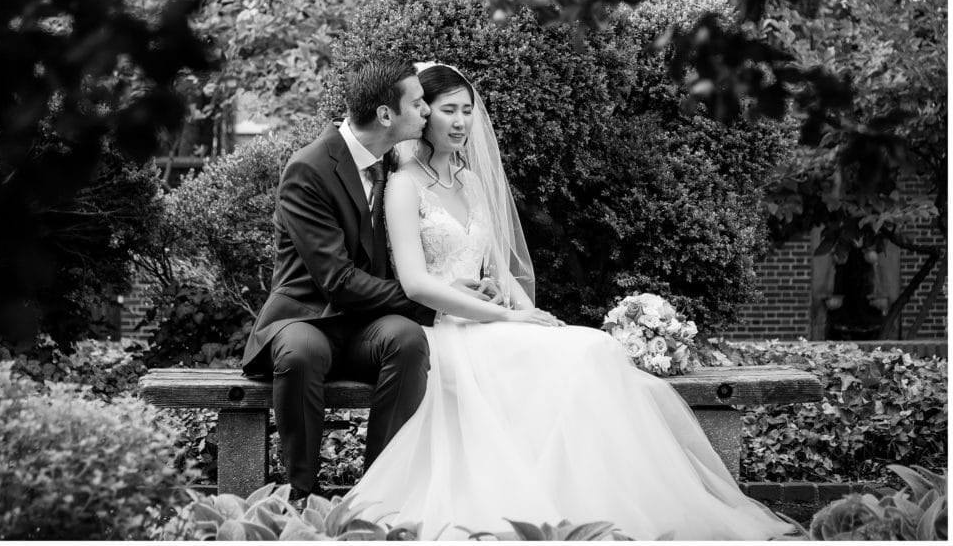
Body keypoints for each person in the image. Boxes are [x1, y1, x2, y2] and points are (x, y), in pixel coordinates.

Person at [340, 62, 796, 540]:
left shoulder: (471, 182)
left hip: (496, 324)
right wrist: (503, 315)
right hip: (448, 332)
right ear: (424, 114)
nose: (460, 122)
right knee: (582, 355)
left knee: (593, 348)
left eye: (468, 111)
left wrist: (525, 313)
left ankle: (601, 504)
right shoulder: (403, 185)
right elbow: (415, 284)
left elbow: (498, 266)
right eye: (448, 110)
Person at [241, 57, 500, 506]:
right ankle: (301, 494)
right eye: (418, 104)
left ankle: (378, 493)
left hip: (365, 324)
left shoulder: (388, 164)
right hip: (309, 315)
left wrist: (454, 289)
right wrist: (434, 303)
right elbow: (336, 280)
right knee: (303, 352)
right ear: (386, 115)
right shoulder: (309, 169)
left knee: (406, 339)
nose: (426, 113)